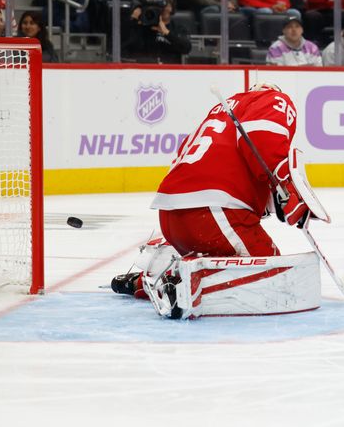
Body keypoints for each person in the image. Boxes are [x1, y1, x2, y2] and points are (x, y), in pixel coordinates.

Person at [111, 83, 313, 298]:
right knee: (273, 277)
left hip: (172, 216)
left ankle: (151, 279)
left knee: (211, 254)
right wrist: (287, 190)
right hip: (213, 212)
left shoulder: (221, 112)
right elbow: (263, 141)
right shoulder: (273, 99)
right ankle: (178, 287)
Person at [123, 0, 192, 64]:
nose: (164, 8)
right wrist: (134, 21)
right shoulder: (144, 27)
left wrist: (166, 33)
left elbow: (186, 48)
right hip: (146, 69)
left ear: (172, 8)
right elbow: (127, 47)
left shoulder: (178, 28)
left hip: (171, 71)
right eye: (159, 6)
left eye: (167, 5)